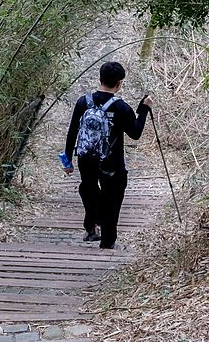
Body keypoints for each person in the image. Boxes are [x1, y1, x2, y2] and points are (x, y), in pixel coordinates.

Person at [62, 61, 153, 249]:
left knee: (88, 189)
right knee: (112, 197)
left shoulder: (83, 102)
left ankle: (91, 226)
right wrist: (144, 108)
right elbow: (135, 133)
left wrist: (68, 160)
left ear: (99, 79)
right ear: (120, 83)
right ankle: (107, 241)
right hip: (111, 162)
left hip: (86, 157)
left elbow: (72, 132)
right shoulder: (121, 108)